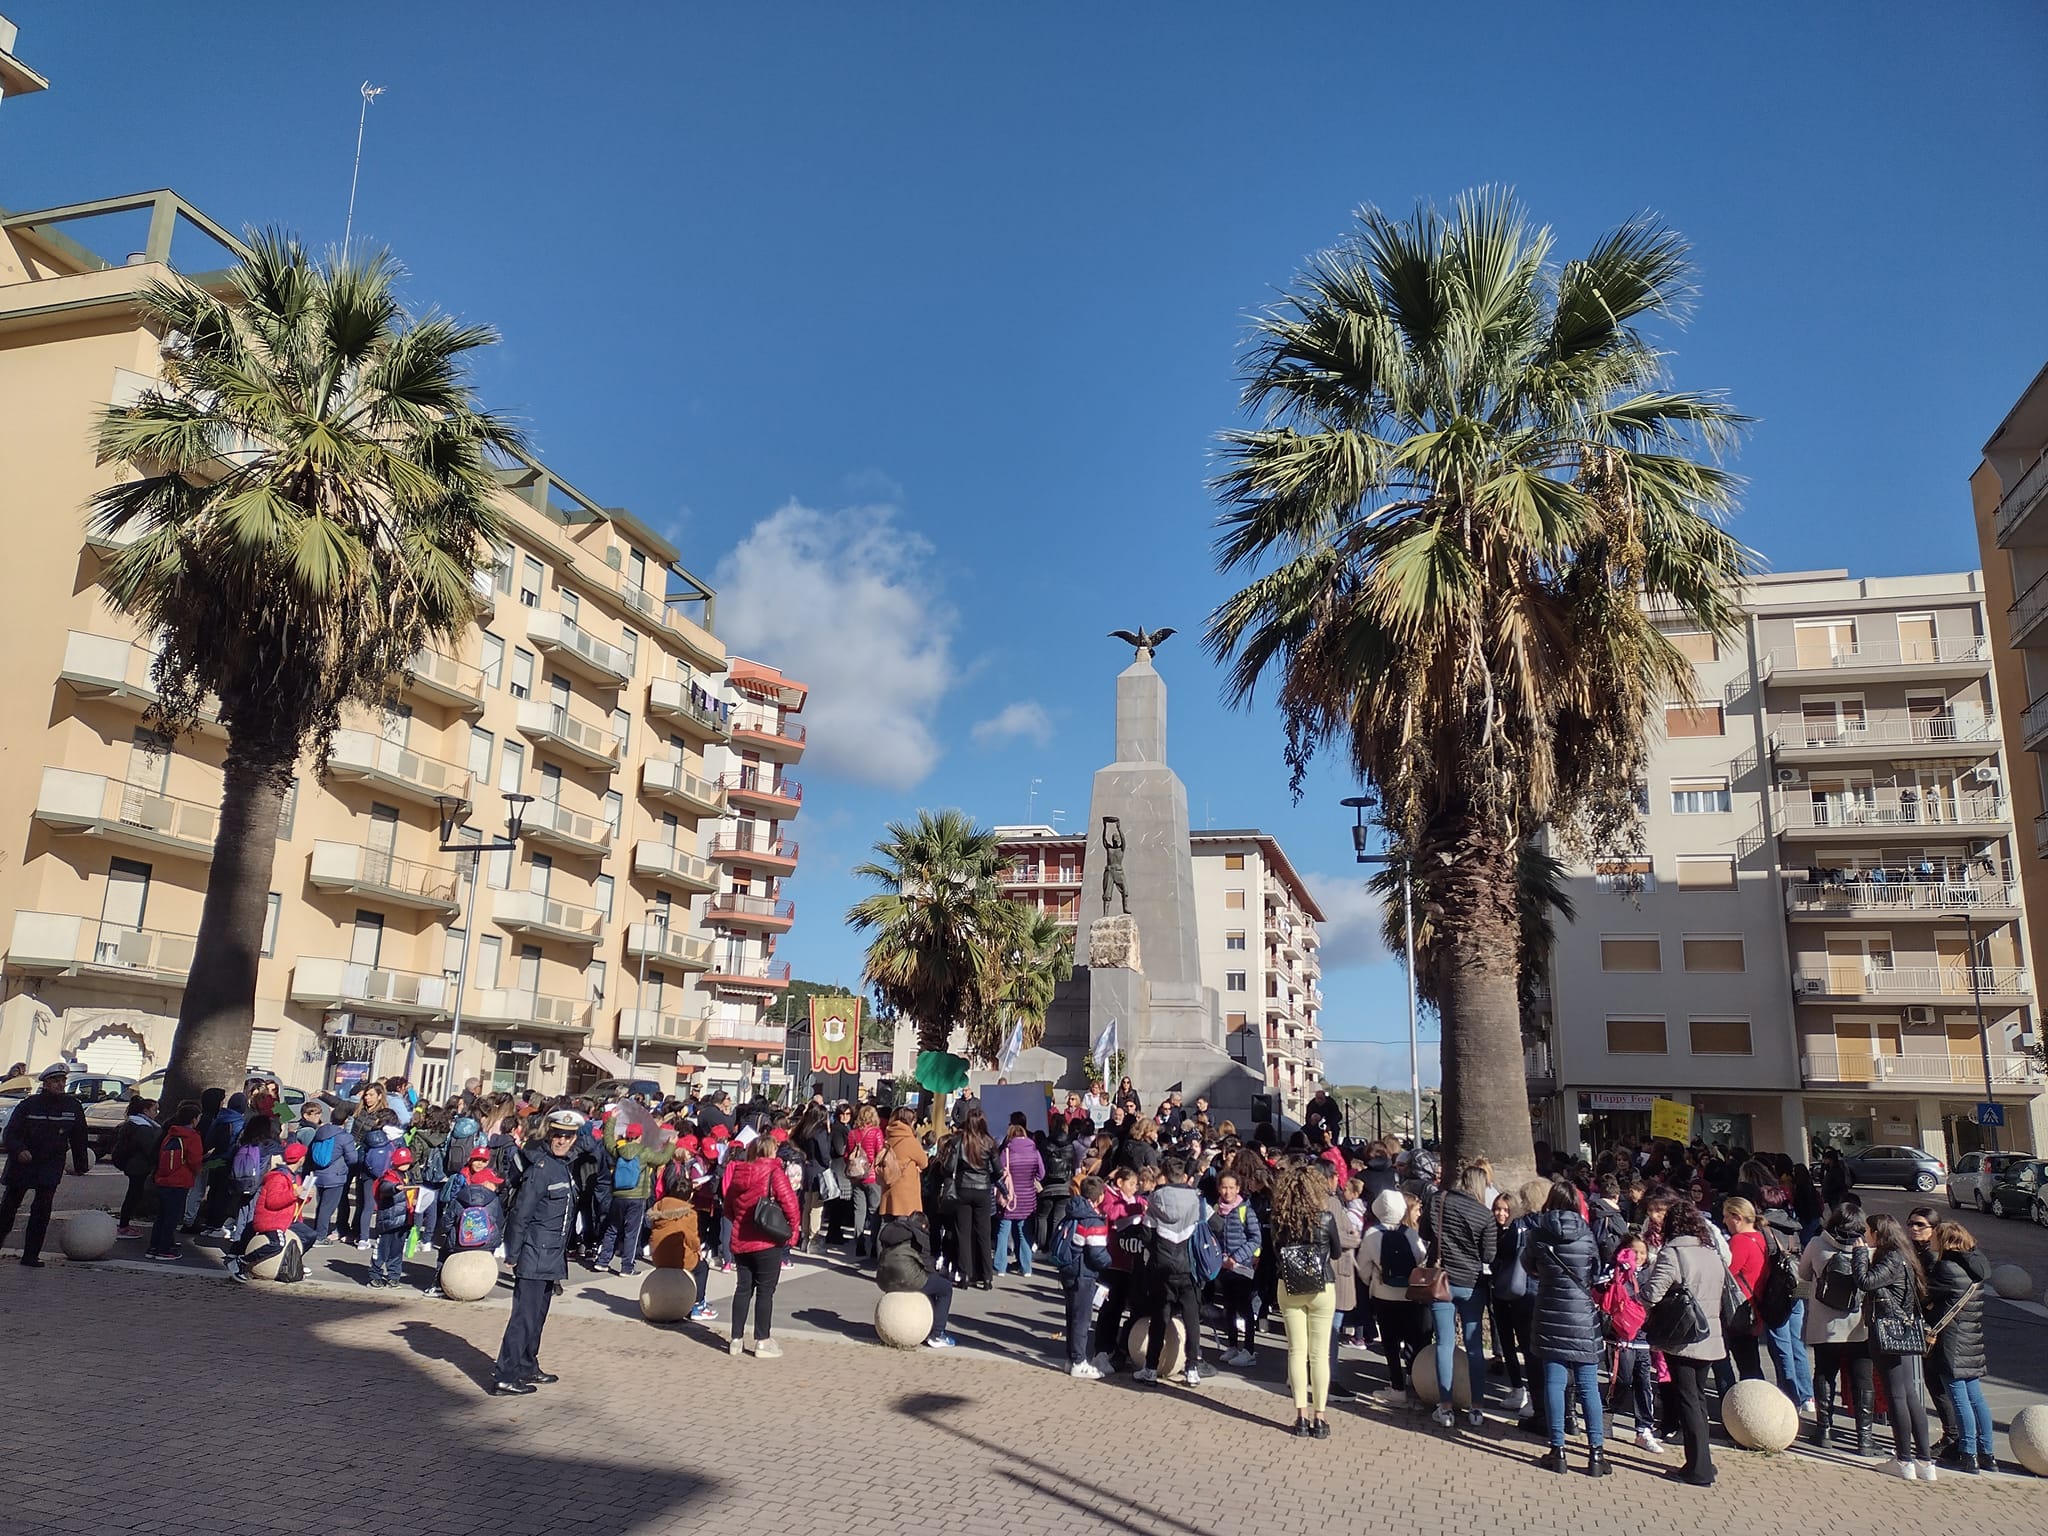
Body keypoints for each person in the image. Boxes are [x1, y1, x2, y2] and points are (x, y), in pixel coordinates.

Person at [492, 1109, 580, 1396]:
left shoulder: (563, 1165)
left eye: (568, 1136)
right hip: (534, 1252)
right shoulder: (541, 1168)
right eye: (557, 1134)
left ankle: (527, 1365)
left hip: (552, 1254)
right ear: (548, 1134)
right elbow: (522, 1212)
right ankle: (505, 1374)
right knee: (524, 1316)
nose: (562, 1140)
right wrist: (513, 1252)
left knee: (538, 1314)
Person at [1642, 1199, 1728, 1488]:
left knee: (1688, 1399)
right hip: (1709, 1332)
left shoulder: (1673, 1253)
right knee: (1698, 1399)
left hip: (1683, 1336)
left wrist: (1641, 1292)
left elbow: (1653, 1293)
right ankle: (1701, 1461)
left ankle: (1698, 1467)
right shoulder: (1711, 1252)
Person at [1525, 1181, 1609, 1476]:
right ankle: (1596, 1454)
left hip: (1549, 1311)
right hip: (1582, 1317)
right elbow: (1596, 1272)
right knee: (1588, 1386)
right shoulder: (1587, 1235)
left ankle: (1558, 1449)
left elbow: (1528, 1266)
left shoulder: (1537, 1232)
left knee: (1554, 1382)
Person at [1855, 1212, 1934, 1479]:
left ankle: (1905, 1460)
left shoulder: (1890, 1257)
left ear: (1878, 1233)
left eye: (1867, 1231)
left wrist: (1860, 1255)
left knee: (1897, 1395)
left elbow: (1865, 1281)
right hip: (1903, 1331)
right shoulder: (1903, 1256)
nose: (1864, 1235)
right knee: (1908, 1393)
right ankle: (1924, 1461)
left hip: (1889, 1332)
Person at [1421, 1160, 1498, 1429]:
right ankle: (1477, 1407)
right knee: (1474, 1346)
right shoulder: (1484, 1215)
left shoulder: (1438, 1200)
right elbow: (1489, 1254)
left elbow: (1424, 1233)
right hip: (1471, 1282)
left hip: (1442, 1280)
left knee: (1444, 1343)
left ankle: (1445, 1407)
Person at [1267, 1158, 1341, 1437]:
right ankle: (1319, 1417)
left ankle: (1300, 1416)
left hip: (1290, 1285)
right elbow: (1336, 1252)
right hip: (1322, 1284)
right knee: (1319, 1353)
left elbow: (1276, 1252)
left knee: (1296, 1351)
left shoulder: (1280, 1219)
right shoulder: (1325, 1218)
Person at [1801, 1202, 1876, 1455]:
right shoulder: (1867, 1249)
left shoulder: (1816, 1244)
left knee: (1824, 1373)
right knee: (1862, 1379)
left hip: (1824, 1324)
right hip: (1858, 1325)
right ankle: (1864, 1439)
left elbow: (1803, 1276)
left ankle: (1824, 1431)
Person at [0, 1063, 90, 1266]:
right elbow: (10, 1133)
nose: (60, 1085)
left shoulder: (72, 1106)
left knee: (41, 1212)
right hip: (23, 1164)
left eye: (62, 1081)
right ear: (46, 1083)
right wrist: (19, 1149)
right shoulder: (29, 1105)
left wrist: (81, 1163)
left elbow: (79, 1138)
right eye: (56, 1081)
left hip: (49, 1166)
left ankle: (31, 1255)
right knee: (8, 1208)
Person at [722, 1133, 800, 1357]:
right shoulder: (774, 1171)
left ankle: (735, 1339)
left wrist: (739, 1219)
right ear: (771, 1151)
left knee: (743, 1288)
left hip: (741, 1238)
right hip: (766, 1239)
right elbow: (790, 1204)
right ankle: (762, 1341)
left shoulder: (738, 1171)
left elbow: (728, 1207)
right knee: (765, 1291)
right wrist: (793, 1231)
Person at [1925, 1219, 1994, 1474]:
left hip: (1952, 1342)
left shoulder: (1946, 1267)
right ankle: (1987, 1453)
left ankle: (1967, 1453)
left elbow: (1926, 1295)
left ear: (1944, 1240)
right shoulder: (1975, 1265)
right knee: (1976, 1398)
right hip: (1972, 1340)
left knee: (1959, 1399)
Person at [1137, 1154, 1207, 1386]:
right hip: (1189, 1267)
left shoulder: (1156, 1198)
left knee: (1160, 1317)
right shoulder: (1197, 1199)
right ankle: (1192, 1368)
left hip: (1162, 1265)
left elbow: (1146, 1234)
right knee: (1191, 1318)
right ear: (1184, 1176)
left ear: (1164, 1176)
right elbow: (1209, 1227)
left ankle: (1150, 1368)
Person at [1361, 1188, 1425, 1406]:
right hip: (1409, 1294)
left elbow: (1363, 1268)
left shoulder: (1371, 1235)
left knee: (1390, 1342)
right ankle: (1414, 1379)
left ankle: (1396, 1388)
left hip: (1383, 1294)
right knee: (1412, 1338)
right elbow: (1421, 1257)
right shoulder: (1410, 1233)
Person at [1054, 1175, 1112, 1376]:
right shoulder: (1092, 1220)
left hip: (1068, 1270)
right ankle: (1079, 1362)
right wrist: (1108, 1262)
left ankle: (1072, 1358)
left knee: (1072, 1316)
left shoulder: (1072, 1213)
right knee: (1082, 1319)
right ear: (1100, 1197)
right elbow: (1097, 1253)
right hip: (1084, 1273)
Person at [227, 1143, 309, 1283]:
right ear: (301, 1159)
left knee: (309, 1235)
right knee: (277, 1243)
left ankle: (291, 1261)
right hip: (271, 1220)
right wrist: (294, 1193)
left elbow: (295, 1201)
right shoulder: (278, 1177)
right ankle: (242, 1261)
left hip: (287, 1218)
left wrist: (306, 1195)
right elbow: (273, 1202)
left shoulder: (295, 1176)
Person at [1213, 1170, 1263, 1367]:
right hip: (1223, 1267)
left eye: (1231, 1188)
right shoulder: (1216, 1209)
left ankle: (1249, 1349)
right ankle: (1232, 1345)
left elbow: (1255, 1238)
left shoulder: (1245, 1211)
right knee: (1229, 1307)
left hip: (1241, 1268)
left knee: (1245, 1308)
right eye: (1224, 1187)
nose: (1227, 1192)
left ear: (1238, 1189)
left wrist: (1236, 1258)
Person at [945, 1110, 999, 1289]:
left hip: (963, 1188)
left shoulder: (959, 1141)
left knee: (963, 1233)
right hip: (983, 1188)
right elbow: (998, 1170)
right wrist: (988, 1178)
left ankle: (965, 1274)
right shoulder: (989, 1142)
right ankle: (987, 1276)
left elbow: (949, 1166)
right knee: (984, 1233)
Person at [146, 1101, 204, 1261]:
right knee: (172, 1218)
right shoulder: (192, 1137)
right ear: (193, 1119)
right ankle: (164, 1249)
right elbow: (194, 1160)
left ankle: (154, 1246)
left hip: (163, 1179)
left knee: (162, 1216)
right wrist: (199, 1170)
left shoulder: (171, 1133)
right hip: (179, 1181)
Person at [1720, 1195, 1767, 1380]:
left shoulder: (1739, 1241)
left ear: (1737, 1217)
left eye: (1726, 1216)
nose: (1724, 1220)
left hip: (1738, 1309)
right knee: (1751, 1362)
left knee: (1744, 1364)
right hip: (1755, 1305)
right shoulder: (1760, 1237)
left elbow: (1728, 1272)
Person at [995, 1118, 1044, 1276]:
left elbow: (999, 1172)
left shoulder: (1007, 1152)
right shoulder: (1035, 1151)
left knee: (1003, 1231)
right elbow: (1041, 1174)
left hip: (1009, 1196)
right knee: (1024, 1232)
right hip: (1028, 1196)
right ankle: (1026, 1267)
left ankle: (1000, 1267)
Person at [110, 1095, 161, 1235]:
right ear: (145, 1111)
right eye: (155, 1110)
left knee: (134, 1194)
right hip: (138, 1166)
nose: (157, 1113)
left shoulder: (133, 1123)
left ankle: (124, 1224)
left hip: (133, 1164)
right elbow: (149, 1148)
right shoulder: (143, 1127)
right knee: (133, 1194)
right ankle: (124, 1225)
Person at [368, 1145, 416, 1288]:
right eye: (402, 1163)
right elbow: (385, 1188)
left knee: (396, 1251)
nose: (405, 1165)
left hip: (403, 1220)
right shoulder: (389, 1176)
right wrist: (395, 1188)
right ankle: (375, 1275)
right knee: (381, 1250)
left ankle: (393, 1276)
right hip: (388, 1221)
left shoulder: (409, 1176)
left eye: (407, 1163)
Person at [845, 1104, 886, 1258]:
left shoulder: (852, 1134)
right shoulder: (876, 1133)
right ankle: (875, 1246)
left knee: (859, 1211)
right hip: (872, 1176)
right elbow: (880, 1154)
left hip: (856, 1177)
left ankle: (859, 1244)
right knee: (874, 1212)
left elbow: (847, 1155)